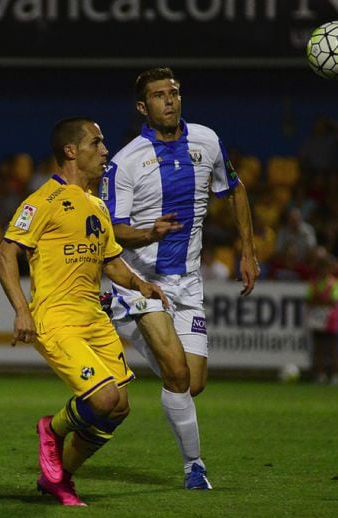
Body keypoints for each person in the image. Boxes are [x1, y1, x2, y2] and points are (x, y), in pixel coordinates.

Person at [0, 117, 168, 506]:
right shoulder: (43, 201)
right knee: (102, 399)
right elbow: (5, 254)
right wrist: (23, 310)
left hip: (95, 320)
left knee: (118, 408)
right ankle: (51, 430)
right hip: (57, 319)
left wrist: (141, 284)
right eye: (97, 142)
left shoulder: (96, 205)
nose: (105, 150)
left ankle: (59, 480)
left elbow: (110, 261)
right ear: (71, 151)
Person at [99, 67, 259, 490]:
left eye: (173, 92)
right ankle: (194, 467)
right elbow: (109, 229)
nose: (169, 100)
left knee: (194, 382)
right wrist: (149, 232)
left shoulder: (206, 141)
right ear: (142, 107)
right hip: (140, 284)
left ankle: (137, 336)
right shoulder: (126, 161)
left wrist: (248, 250)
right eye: (158, 95)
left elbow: (236, 189)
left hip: (187, 284)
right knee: (178, 378)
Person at [305, 249, 338, 385]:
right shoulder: (313, 282)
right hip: (317, 319)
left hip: (331, 319)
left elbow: (334, 300)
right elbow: (309, 300)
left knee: (332, 348)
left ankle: (335, 375)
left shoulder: (334, 283)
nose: (323, 271)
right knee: (318, 348)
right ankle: (320, 374)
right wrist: (322, 301)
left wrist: (319, 301)